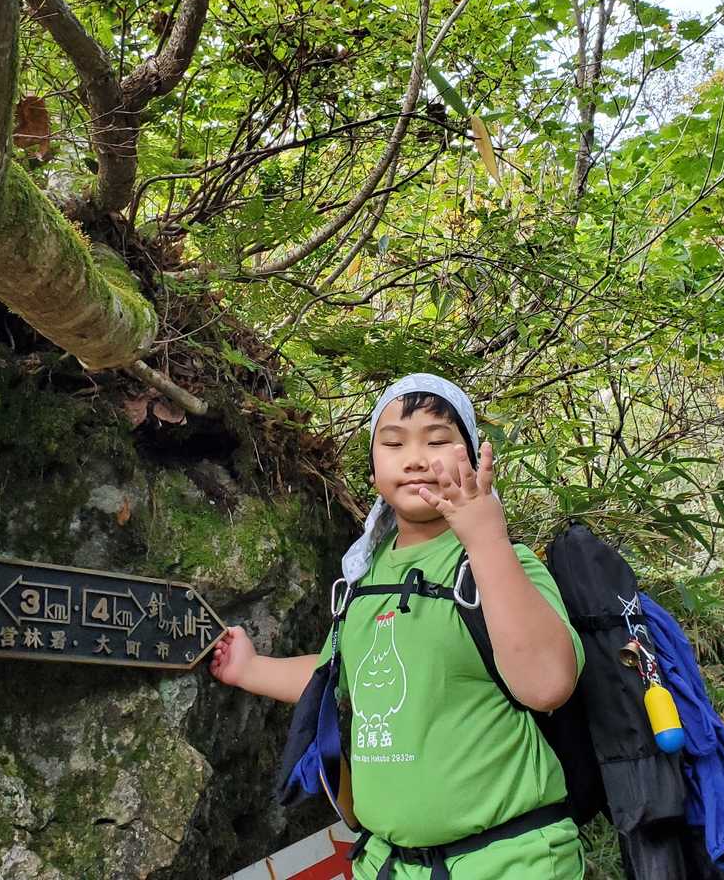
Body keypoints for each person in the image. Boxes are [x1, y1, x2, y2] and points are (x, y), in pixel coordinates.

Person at [211, 373, 586, 879]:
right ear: (373, 471)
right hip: (386, 863)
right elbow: (342, 676)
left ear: (472, 457)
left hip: (509, 860)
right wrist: (249, 668)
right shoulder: (363, 578)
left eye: (437, 440)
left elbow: (547, 684)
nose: (415, 459)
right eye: (393, 443)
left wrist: (486, 540)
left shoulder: (500, 563)